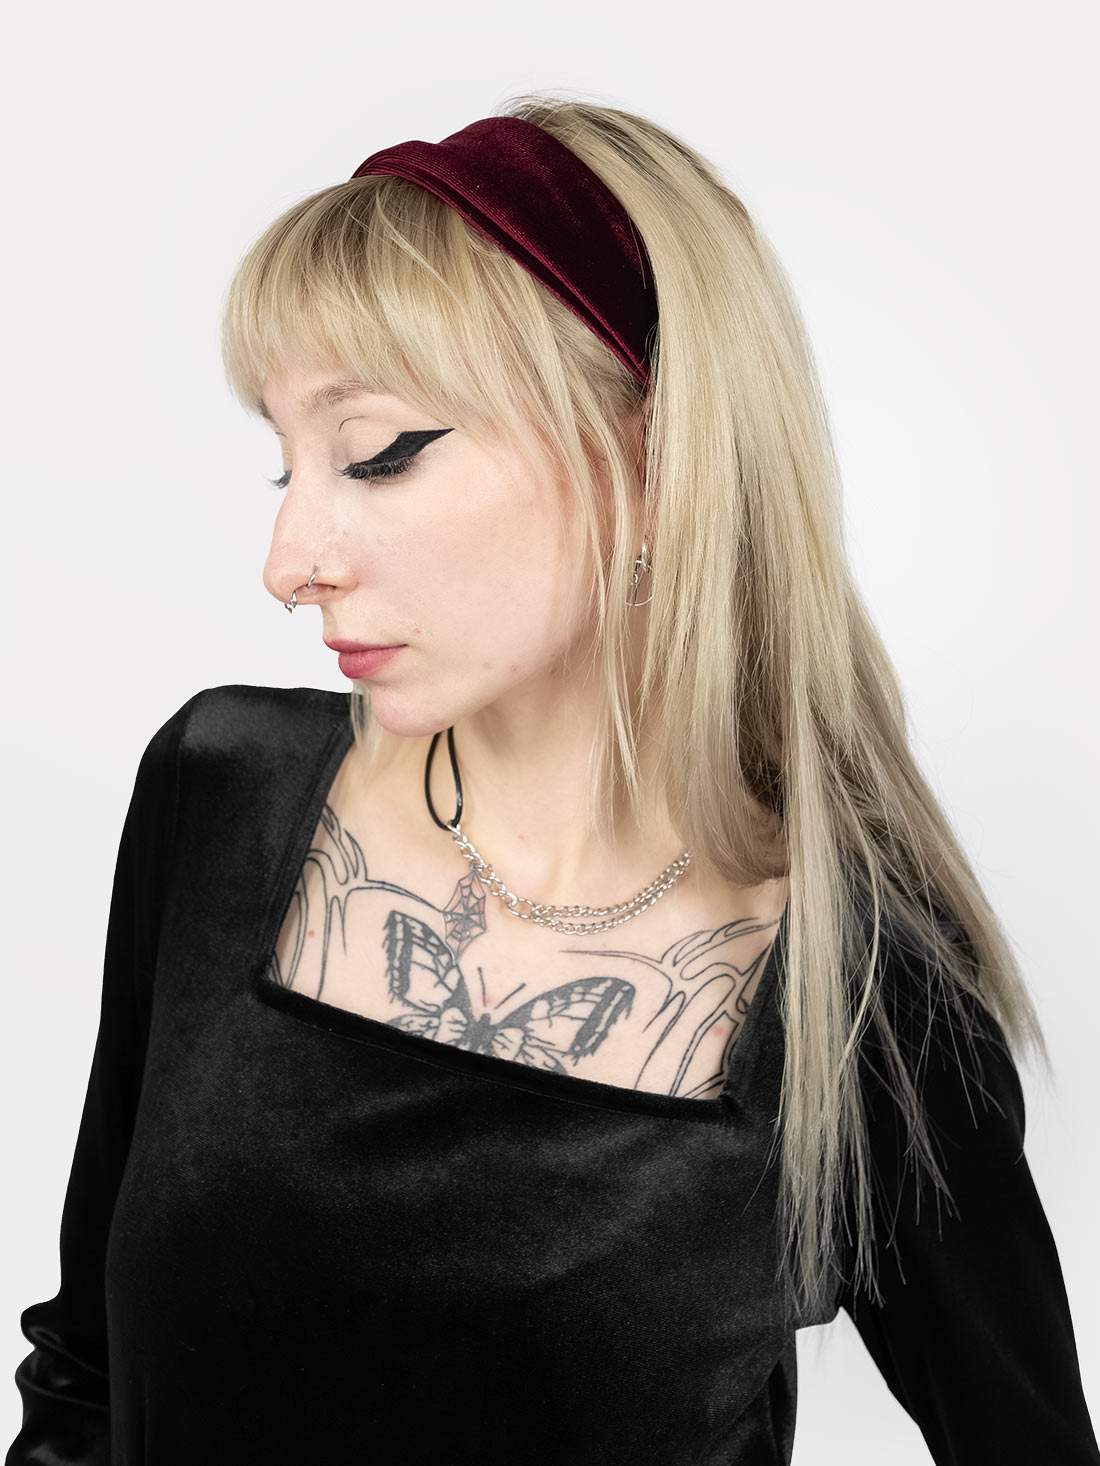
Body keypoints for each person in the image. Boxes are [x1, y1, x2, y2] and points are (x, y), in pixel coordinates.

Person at [5, 94, 1098, 1466]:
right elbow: (86, 1386)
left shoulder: (859, 988)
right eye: (286, 468)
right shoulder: (219, 788)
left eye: (378, 452)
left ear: (651, 457)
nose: (289, 564)